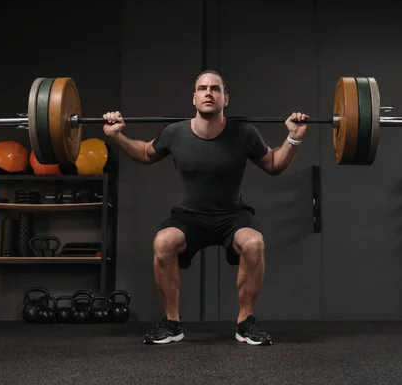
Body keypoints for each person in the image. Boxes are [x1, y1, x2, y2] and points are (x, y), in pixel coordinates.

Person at [102, 70, 309, 346]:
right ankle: (172, 324)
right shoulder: (175, 132)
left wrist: (293, 138)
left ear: (226, 99)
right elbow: (144, 153)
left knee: (254, 243)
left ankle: (245, 323)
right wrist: (116, 137)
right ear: (194, 98)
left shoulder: (244, 132)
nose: (208, 93)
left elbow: (273, 164)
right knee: (163, 242)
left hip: (233, 215)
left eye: (215, 89)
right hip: (190, 217)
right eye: (202, 89)